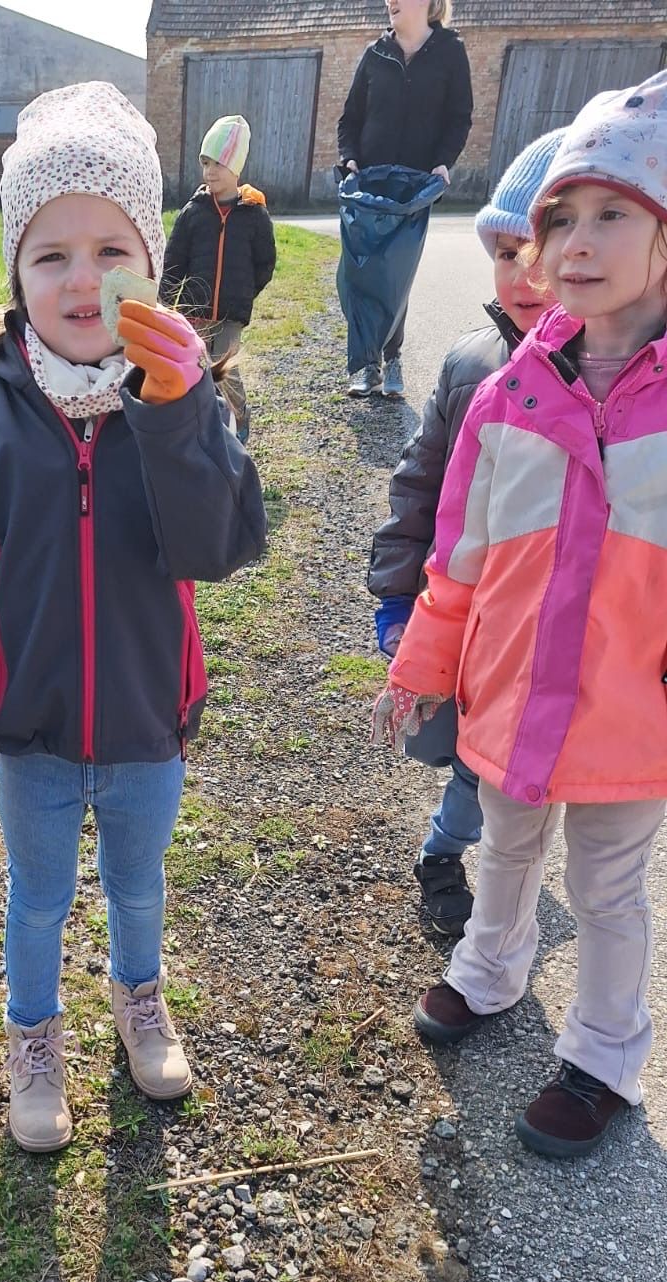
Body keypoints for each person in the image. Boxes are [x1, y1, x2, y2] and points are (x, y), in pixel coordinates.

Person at [0, 81, 267, 1153]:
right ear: (16, 272)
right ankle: (34, 1036)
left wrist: (181, 414)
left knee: (138, 890)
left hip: (148, 723)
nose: (83, 279)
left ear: (151, 260)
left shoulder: (184, 393)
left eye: (110, 250)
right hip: (33, 730)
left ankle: (140, 998)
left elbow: (222, 547)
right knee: (37, 898)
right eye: (50, 255)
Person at [373, 70, 667, 1160]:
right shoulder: (509, 397)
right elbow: (459, 558)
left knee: (605, 887)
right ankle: (489, 969)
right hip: (510, 691)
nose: (576, 242)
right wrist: (420, 666)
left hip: (630, 710)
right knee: (503, 847)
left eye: (611, 214)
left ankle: (602, 1054)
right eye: (559, 219)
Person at [368, 127, 565, 937]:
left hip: (558, 623)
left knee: (523, 764)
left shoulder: (625, 388)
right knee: (468, 758)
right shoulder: (469, 366)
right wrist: (394, 596)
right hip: (468, 614)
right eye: (506, 252)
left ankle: (475, 856)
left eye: (541, 253)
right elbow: (418, 486)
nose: (523, 275)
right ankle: (444, 851)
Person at [337, 0, 473, 398]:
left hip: (414, 188)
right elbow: (350, 118)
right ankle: (367, 362)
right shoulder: (375, 54)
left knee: (395, 275)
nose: (390, 1)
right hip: (369, 185)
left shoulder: (450, 52)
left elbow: (459, 117)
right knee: (358, 274)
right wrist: (350, 157)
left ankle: (390, 358)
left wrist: (443, 162)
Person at [161, 113, 277, 443]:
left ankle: (239, 420)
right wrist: (166, 302)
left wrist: (244, 295)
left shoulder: (254, 214)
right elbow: (174, 261)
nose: (210, 171)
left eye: (219, 164)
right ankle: (197, 426)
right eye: (205, 163)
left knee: (226, 370)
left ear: (236, 168)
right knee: (195, 367)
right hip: (194, 310)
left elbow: (265, 263)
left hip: (230, 315)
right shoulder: (193, 212)